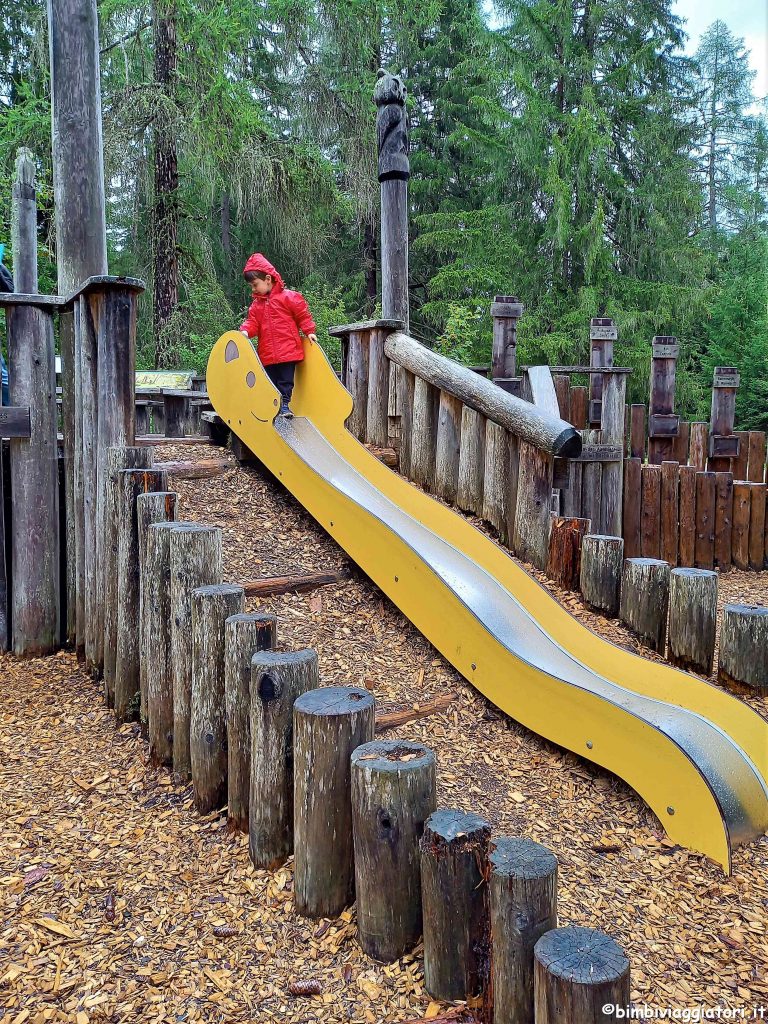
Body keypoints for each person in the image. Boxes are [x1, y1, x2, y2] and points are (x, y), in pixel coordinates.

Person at [238, 253, 317, 417]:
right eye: (251, 286)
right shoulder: (256, 306)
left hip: (288, 351)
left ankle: (285, 406)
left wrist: (309, 332)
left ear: (268, 279)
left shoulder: (289, 297)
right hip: (267, 353)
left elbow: (303, 315)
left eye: (255, 285)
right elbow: (252, 322)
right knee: (270, 383)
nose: (253, 289)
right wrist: (245, 331)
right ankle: (272, 409)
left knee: (286, 382)